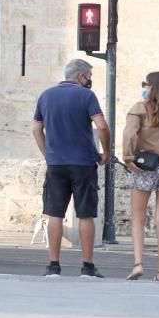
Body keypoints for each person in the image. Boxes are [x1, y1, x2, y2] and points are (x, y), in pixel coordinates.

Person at [32, 58, 110, 278]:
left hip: (56, 163)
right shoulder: (86, 96)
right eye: (90, 77)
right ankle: (87, 267)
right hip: (83, 163)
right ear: (81, 77)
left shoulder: (46, 95)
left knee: (54, 213)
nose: (90, 81)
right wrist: (106, 151)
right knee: (85, 214)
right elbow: (102, 126)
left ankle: (53, 266)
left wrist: (47, 153)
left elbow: (36, 128)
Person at [122, 71, 159, 281]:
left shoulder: (139, 109)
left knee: (138, 218)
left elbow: (129, 134)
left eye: (145, 84)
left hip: (144, 167)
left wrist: (128, 157)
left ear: (151, 87)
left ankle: (138, 264)